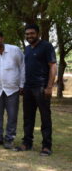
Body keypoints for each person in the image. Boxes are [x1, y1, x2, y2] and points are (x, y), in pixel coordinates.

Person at [14, 24, 57, 156]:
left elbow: (53, 67)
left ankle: (46, 146)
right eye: (27, 34)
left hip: (41, 88)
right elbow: (24, 69)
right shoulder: (26, 49)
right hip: (28, 88)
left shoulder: (46, 46)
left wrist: (49, 87)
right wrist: (22, 86)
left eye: (32, 33)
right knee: (28, 117)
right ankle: (27, 143)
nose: (29, 36)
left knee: (45, 117)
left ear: (37, 33)